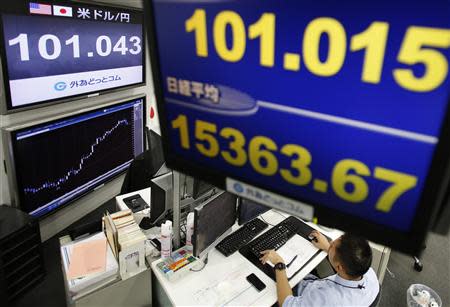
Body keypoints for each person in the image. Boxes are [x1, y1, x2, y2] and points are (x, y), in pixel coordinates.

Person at [260, 231, 380, 307]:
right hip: (316, 287)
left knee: (263, 274)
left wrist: (279, 264)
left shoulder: (328, 299)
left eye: (333, 244)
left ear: (339, 267)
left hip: (301, 297)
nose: (331, 242)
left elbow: (286, 303)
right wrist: (329, 248)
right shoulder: (366, 270)